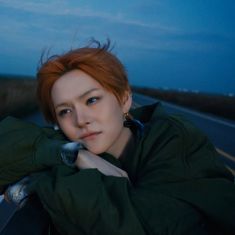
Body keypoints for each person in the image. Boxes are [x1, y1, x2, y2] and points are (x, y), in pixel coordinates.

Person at [0, 39, 235, 235]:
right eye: (65, 111)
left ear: (124, 100)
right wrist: (70, 154)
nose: (80, 119)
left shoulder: (174, 139)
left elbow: (137, 226)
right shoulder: (72, 143)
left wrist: (42, 182)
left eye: (92, 100)